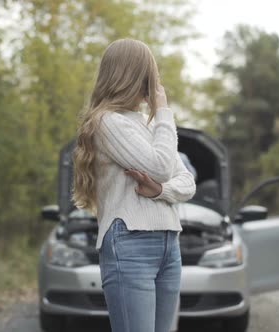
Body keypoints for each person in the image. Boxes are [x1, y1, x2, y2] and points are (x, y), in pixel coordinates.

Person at [72, 38, 196, 332]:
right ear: (132, 75)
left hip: (169, 242)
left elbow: (187, 182)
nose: (154, 84)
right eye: (148, 75)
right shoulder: (107, 123)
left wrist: (160, 190)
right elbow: (162, 165)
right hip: (130, 242)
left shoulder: (150, 126)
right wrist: (164, 111)